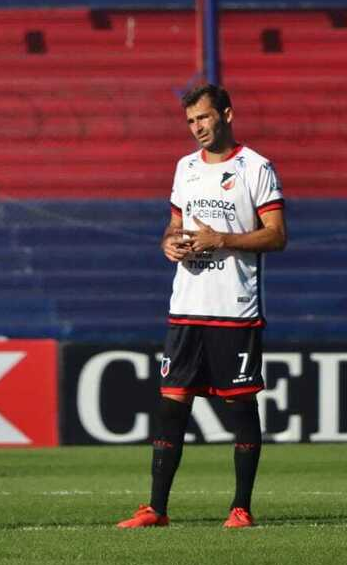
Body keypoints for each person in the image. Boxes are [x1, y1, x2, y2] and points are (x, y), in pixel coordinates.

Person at [117, 84, 286, 530]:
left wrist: (222, 239)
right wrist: (169, 243)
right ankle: (156, 509)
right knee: (171, 406)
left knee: (240, 408)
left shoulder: (256, 167)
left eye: (204, 118)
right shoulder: (186, 168)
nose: (197, 128)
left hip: (234, 308)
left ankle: (241, 508)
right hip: (186, 306)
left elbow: (276, 235)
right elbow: (173, 225)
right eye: (191, 121)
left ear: (227, 114)